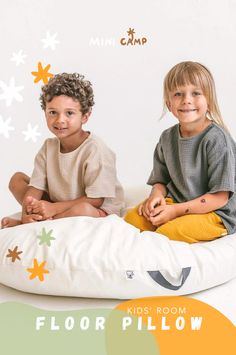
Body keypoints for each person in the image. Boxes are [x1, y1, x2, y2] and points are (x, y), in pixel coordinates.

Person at [125, 61, 236, 243]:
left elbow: (220, 197)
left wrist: (174, 212)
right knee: (132, 220)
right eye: (178, 93)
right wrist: (156, 196)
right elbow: (160, 180)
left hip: (216, 211)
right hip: (177, 201)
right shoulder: (167, 137)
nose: (187, 100)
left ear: (209, 100)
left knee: (168, 233)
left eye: (196, 93)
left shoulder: (216, 139)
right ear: (169, 103)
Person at [2, 73, 124, 228]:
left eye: (69, 113)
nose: (60, 120)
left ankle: (42, 221)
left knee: (83, 209)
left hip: (96, 209)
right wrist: (27, 211)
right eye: (53, 112)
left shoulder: (96, 150)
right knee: (17, 180)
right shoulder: (48, 147)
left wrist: (53, 208)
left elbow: (96, 199)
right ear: (45, 112)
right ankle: (33, 220)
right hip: (60, 202)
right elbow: (35, 188)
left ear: (85, 116)